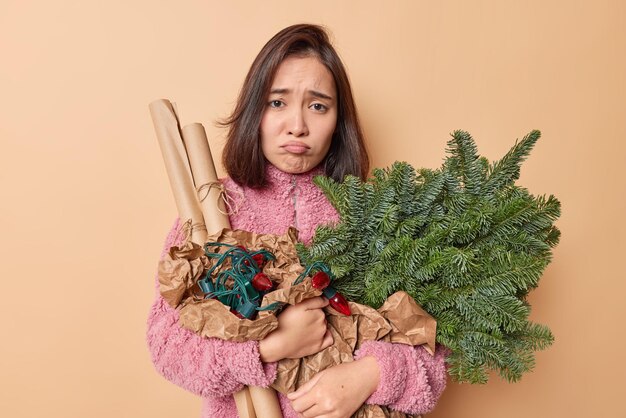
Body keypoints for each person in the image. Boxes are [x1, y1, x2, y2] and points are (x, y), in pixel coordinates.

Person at [147, 24, 448, 418]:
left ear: (339, 121)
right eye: (277, 102)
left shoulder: (376, 212)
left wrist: (370, 375)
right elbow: (167, 346)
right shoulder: (212, 211)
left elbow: (438, 347)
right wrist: (267, 347)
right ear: (255, 109)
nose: (298, 125)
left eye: (318, 105)